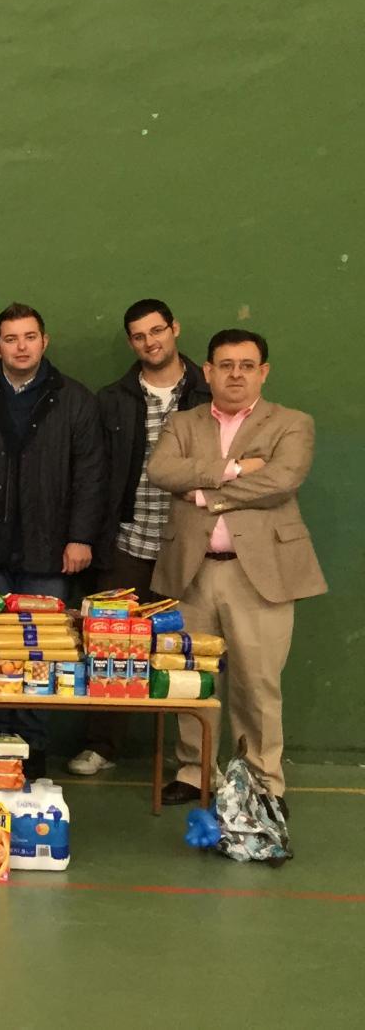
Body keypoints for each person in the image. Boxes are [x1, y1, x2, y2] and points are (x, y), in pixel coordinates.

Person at [149, 329, 323, 812]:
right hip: (192, 571)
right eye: (225, 365)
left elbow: (282, 480)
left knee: (257, 683)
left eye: (247, 365)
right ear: (207, 372)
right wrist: (235, 469)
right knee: (192, 677)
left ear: (263, 372)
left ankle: (263, 782)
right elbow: (162, 471)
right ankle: (194, 771)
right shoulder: (182, 422)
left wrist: (205, 494)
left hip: (261, 575)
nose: (236, 375)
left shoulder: (291, 423)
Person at [0, 304, 106, 776]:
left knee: (40, 656)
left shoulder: (75, 398)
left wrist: (80, 537)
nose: (21, 347)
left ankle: (31, 754)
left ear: (44, 342)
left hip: (48, 552)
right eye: (11, 339)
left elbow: (91, 474)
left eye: (29, 337)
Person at [71, 300, 211, 776]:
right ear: (131, 343)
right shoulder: (112, 398)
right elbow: (95, 473)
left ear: (175, 329)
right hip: (128, 541)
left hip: (191, 545)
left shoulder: (207, 391)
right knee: (109, 647)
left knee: (188, 652)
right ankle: (102, 746)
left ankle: (192, 758)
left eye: (157, 330)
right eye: (139, 335)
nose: (150, 342)